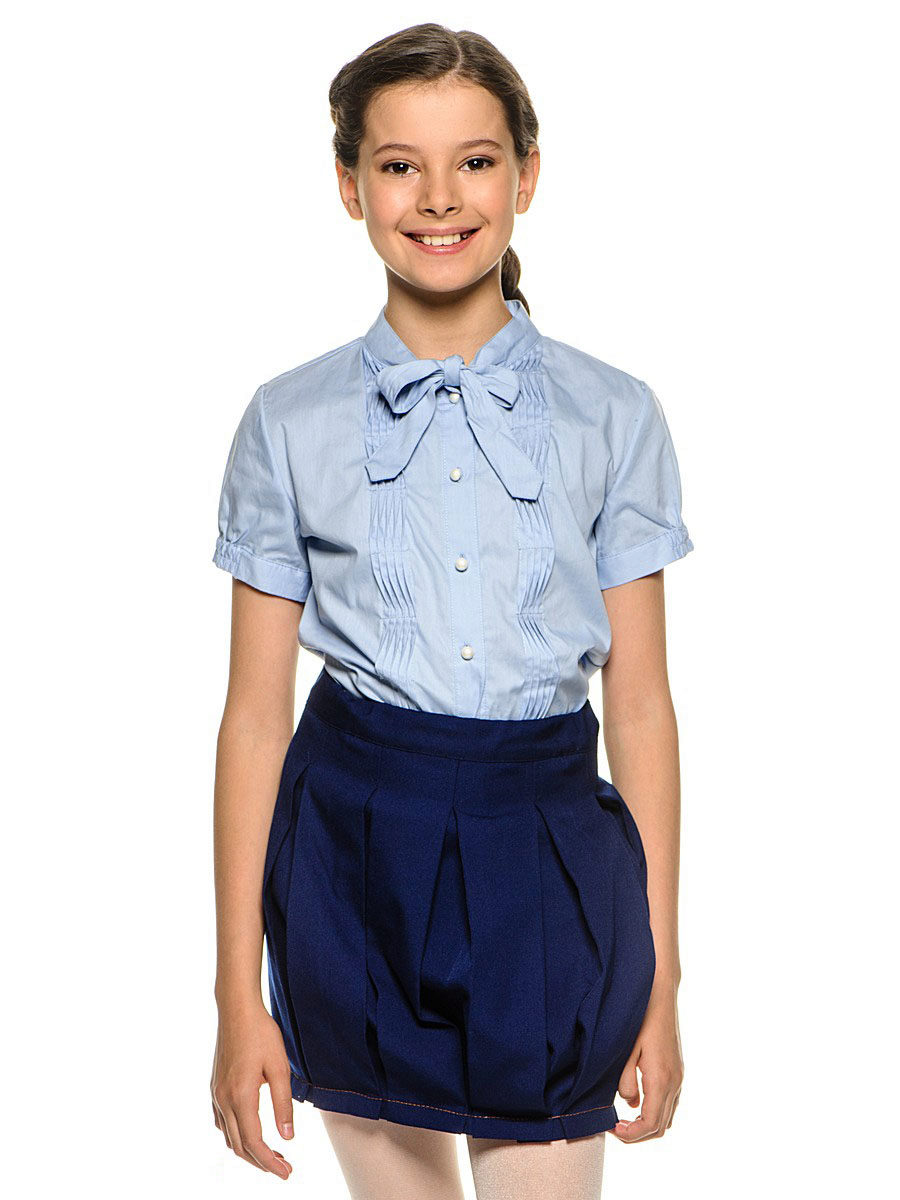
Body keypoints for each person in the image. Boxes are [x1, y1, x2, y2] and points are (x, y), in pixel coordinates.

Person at [209, 23, 693, 1200]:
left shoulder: (614, 415)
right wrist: (235, 996)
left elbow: (638, 704)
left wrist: (662, 975)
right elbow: (255, 717)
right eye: (398, 165)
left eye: (474, 161)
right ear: (349, 185)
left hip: (548, 857)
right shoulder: (287, 420)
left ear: (527, 175)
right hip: (350, 861)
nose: (438, 197)